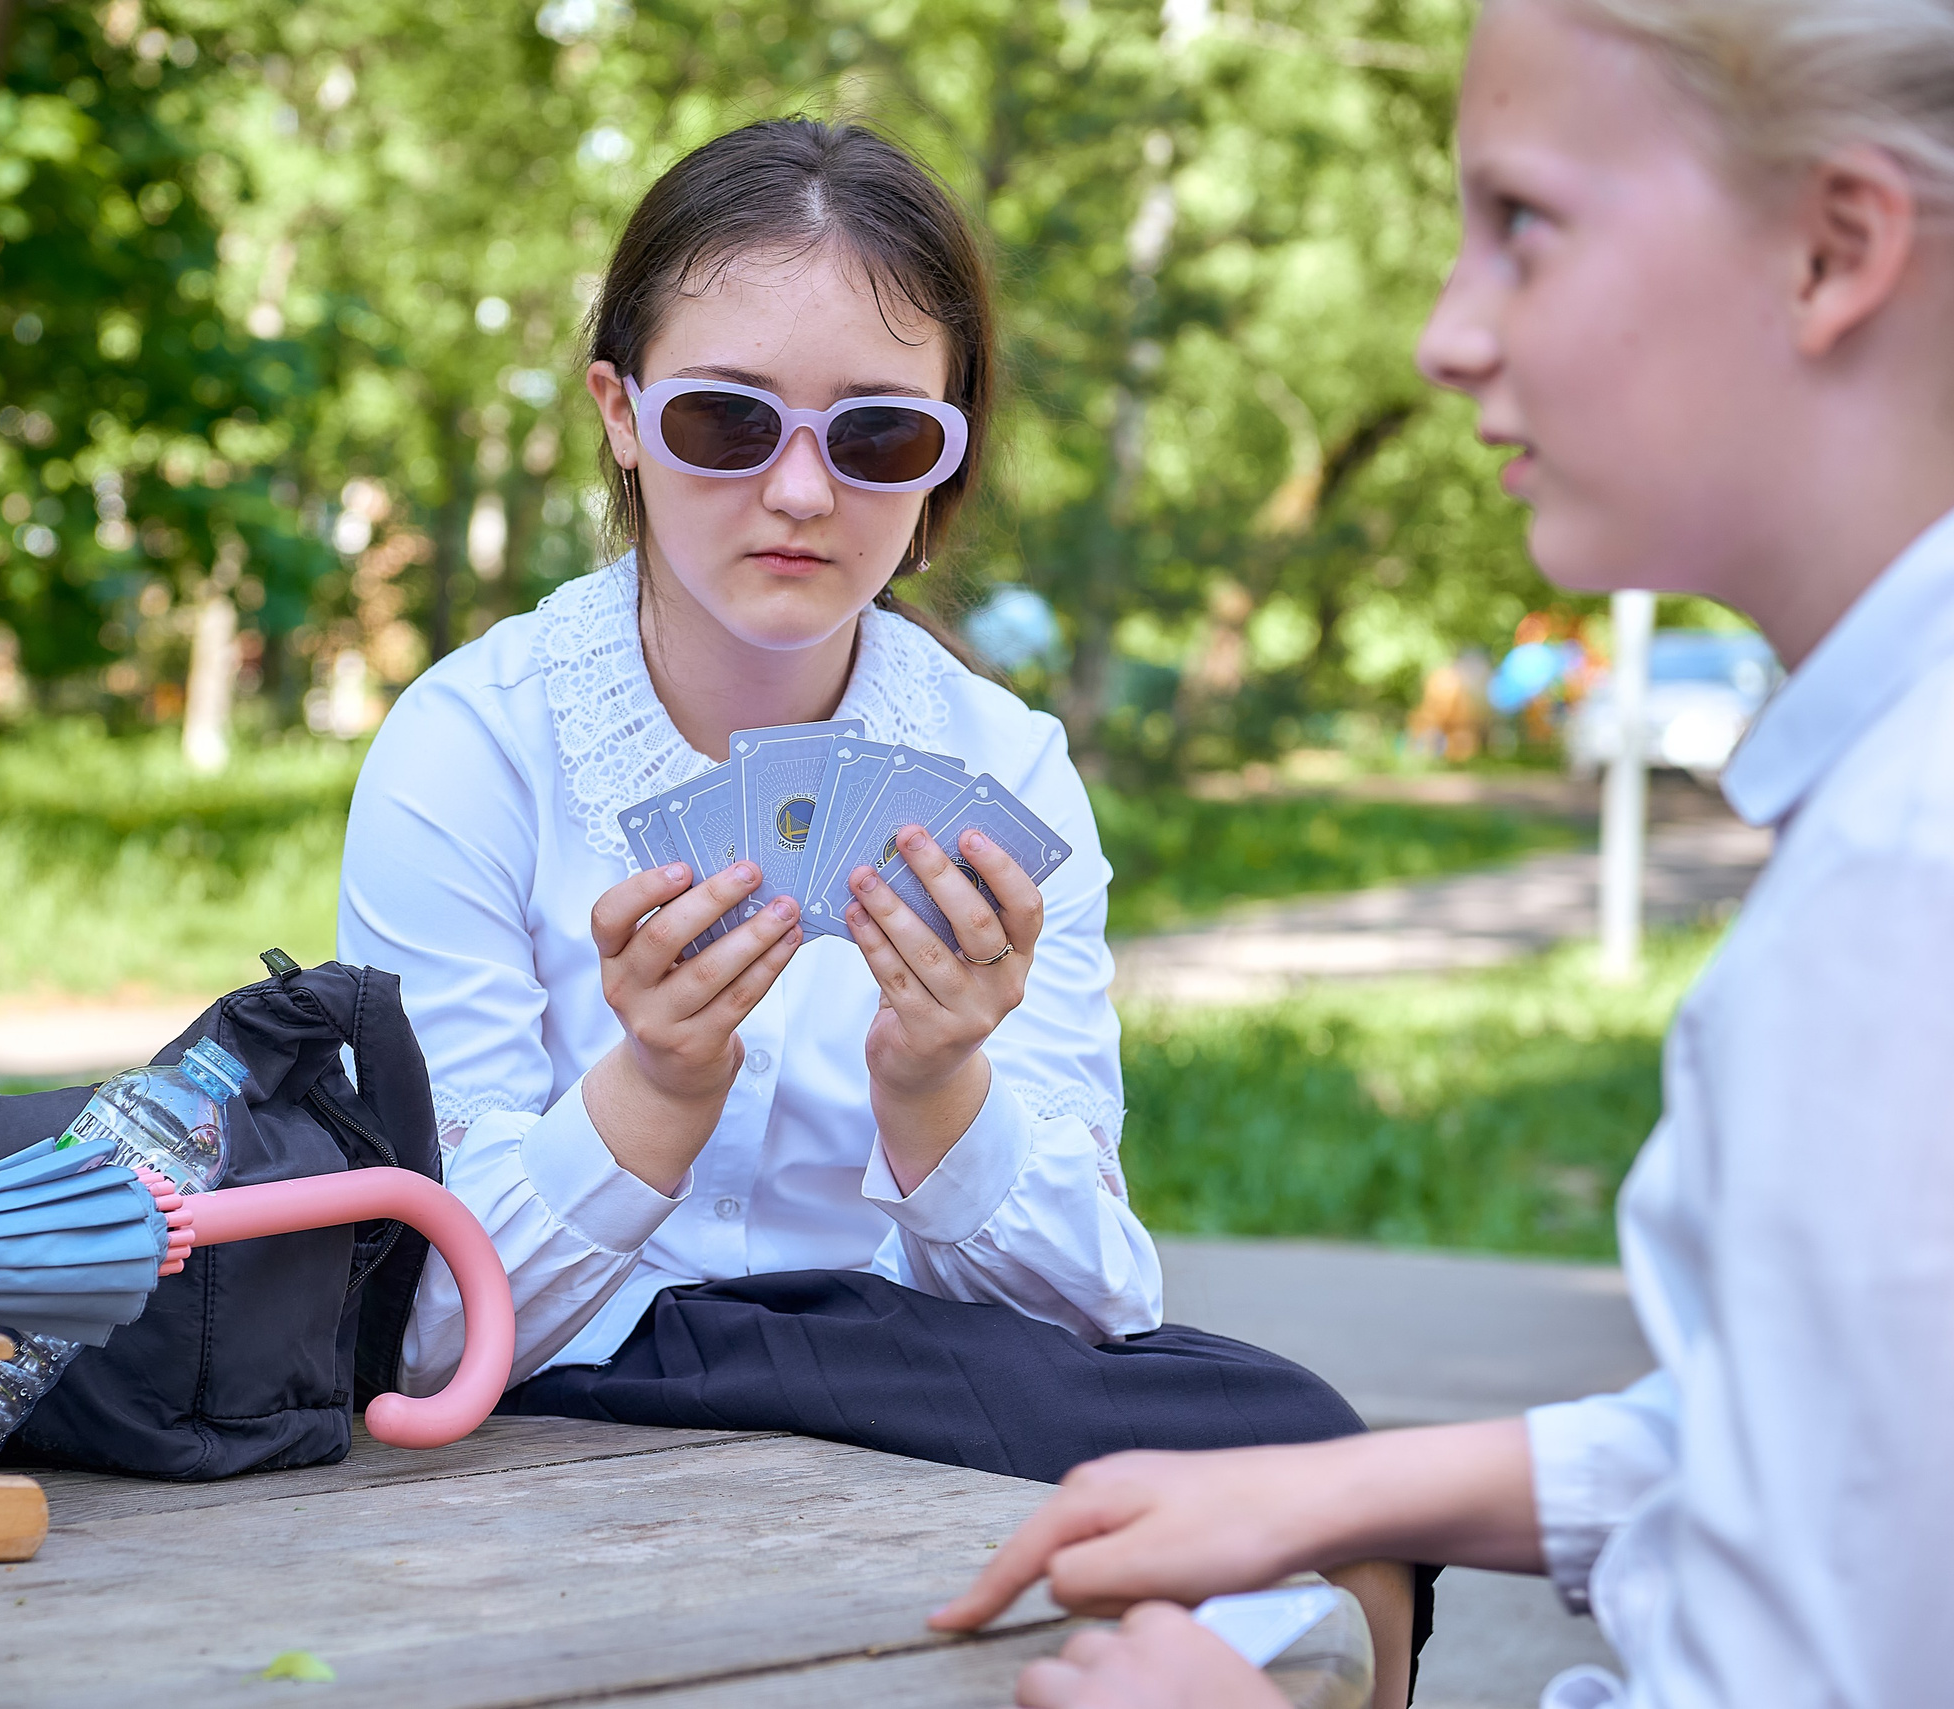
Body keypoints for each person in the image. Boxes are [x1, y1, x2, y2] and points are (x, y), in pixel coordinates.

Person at [933, 2, 1954, 1704]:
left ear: (1832, 250)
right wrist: (1340, 1482)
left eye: (1523, 225)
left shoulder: (1895, 900)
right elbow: (1853, 1444)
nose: (1443, 337)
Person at [336, 118, 1418, 1704]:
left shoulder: (1000, 761)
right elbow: (425, 1321)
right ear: (619, 413)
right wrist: (652, 1092)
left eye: (877, 438)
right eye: (725, 417)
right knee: (1292, 1482)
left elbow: (1099, 1303)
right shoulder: (471, 746)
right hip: (582, 1370)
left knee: (1336, 1483)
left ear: (948, 454)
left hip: (912, 1367)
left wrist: (937, 1089)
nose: (798, 490)